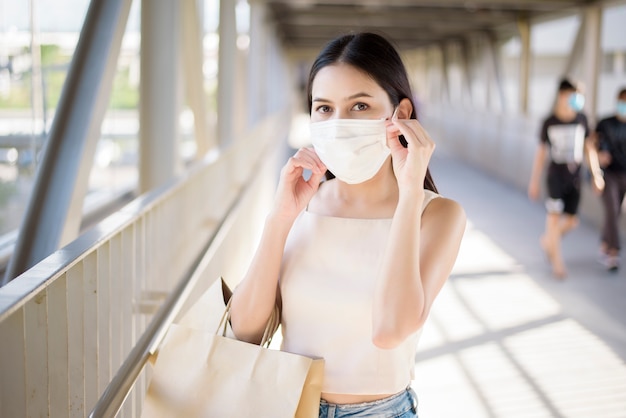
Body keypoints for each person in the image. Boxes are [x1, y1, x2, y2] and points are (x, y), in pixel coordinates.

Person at [229, 32, 466, 417]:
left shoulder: (436, 215)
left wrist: (408, 196)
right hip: (288, 404)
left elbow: (389, 330)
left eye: (359, 106)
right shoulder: (303, 206)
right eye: (324, 108)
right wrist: (280, 219)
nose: (338, 123)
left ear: (400, 114)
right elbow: (245, 330)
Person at [527, 78, 591, 279]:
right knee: (553, 220)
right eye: (574, 94)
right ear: (563, 95)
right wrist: (534, 181)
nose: (577, 99)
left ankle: (548, 241)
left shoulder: (582, 119)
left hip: (575, 178)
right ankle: (558, 264)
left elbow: (589, 147)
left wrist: (596, 173)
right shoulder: (549, 121)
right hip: (555, 177)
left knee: (572, 221)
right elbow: (540, 153)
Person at [587, 87, 626, 272]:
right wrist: (596, 169)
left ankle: (604, 243)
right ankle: (614, 253)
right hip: (608, 175)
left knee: (616, 212)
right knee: (612, 209)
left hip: (624, 175)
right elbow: (591, 145)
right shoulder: (605, 123)